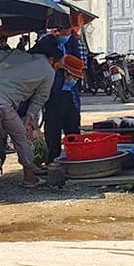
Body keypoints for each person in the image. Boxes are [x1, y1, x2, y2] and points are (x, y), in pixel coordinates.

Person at [0, 34, 58, 187]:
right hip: (0, 102)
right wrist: (30, 117)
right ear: (51, 58)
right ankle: (29, 177)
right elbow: (41, 98)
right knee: (20, 137)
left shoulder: (16, 54)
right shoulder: (49, 71)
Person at [43, 23, 86, 162]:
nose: (67, 35)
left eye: (69, 32)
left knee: (72, 122)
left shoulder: (72, 40)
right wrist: (55, 65)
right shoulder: (47, 41)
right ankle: (53, 157)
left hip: (69, 88)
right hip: (53, 90)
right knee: (53, 125)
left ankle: (75, 155)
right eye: (65, 32)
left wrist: (72, 75)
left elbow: (78, 60)